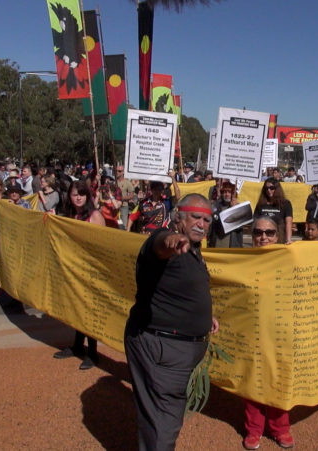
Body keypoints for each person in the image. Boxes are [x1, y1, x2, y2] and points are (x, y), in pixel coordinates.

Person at [124, 193, 219, 451]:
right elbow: (161, 245)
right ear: (179, 217)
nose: (202, 224)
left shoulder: (195, 249)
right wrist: (173, 240)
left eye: (207, 220)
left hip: (176, 348)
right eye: (196, 217)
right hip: (162, 346)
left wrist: (203, 316)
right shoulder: (166, 240)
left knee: (165, 416)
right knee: (162, 422)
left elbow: (182, 288)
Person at [243, 214, 295, 450]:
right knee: (252, 379)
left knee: (279, 379)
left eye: (269, 233)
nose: (263, 237)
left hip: (281, 331)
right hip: (250, 330)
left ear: (278, 235)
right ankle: (253, 429)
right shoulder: (241, 260)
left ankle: (280, 428)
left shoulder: (290, 258)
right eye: (258, 232)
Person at [53, 181, 106, 370]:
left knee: (89, 311)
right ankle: (77, 346)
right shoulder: (70, 215)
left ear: (87, 196)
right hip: (73, 269)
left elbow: (101, 246)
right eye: (75, 194)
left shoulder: (95, 215)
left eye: (81, 194)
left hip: (90, 270)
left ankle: (92, 353)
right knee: (76, 308)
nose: (78, 198)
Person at [255, 178, 293, 244]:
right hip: (263, 239)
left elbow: (288, 222)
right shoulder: (260, 204)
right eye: (266, 188)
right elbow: (255, 223)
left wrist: (288, 239)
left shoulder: (285, 204)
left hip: (279, 238)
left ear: (277, 189)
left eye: (271, 188)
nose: (268, 190)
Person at [208, 181, 244, 248]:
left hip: (232, 245)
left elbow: (239, 227)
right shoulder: (216, 206)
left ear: (233, 194)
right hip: (217, 243)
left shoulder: (238, 207)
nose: (227, 194)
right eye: (225, 192)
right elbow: (212, 224)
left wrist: (234, 209)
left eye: (229, 192)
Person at [116, 166, 136, 230]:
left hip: (124, 206)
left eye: (119, 171)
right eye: (116, 171)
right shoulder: (114, 182)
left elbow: (132, 195)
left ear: (123, 172)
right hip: (114, 206)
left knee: (123, 225)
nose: (117, 172)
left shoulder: (127, 182)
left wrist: (122, 198)